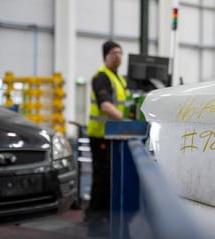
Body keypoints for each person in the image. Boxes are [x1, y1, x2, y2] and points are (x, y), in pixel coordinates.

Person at [86, 40, 130, 237]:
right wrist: (126, 121)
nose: (118, 56)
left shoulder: (119, 79)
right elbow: (105, 106)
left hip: (114, 134)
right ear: (105, 56)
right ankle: (95, 220)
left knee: (109, 179)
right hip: (101, 135)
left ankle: (103, 216)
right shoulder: (101, 77)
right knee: (102, 179)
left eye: (120, 53)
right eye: (114, 53)